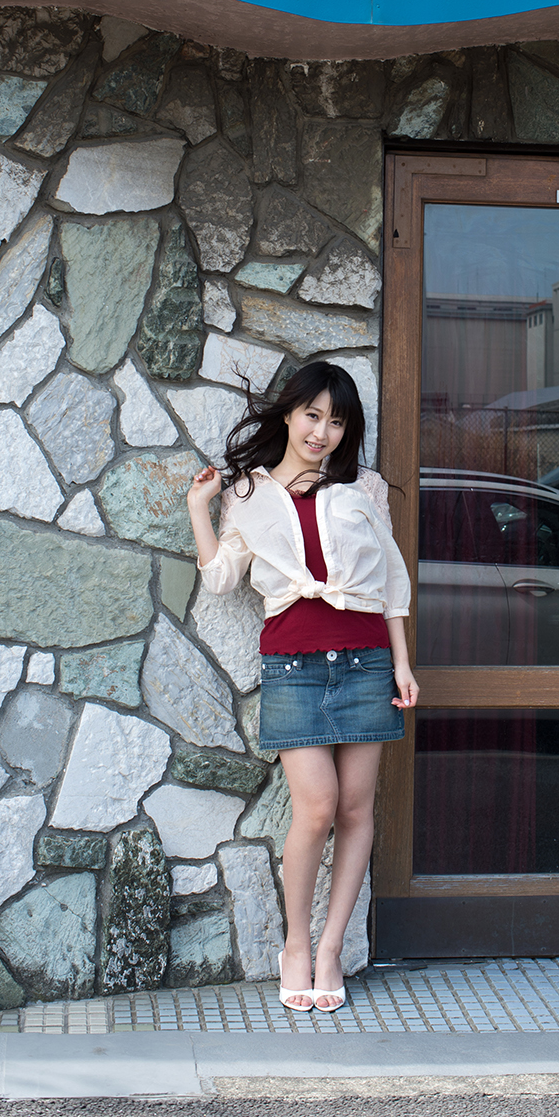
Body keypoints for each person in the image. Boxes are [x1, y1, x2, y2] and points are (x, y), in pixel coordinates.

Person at [187, 359, 419, 1015]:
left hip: (367, 662)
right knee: (317, 809)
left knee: (355, 811)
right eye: (312, 415)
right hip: (292, 666)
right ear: (289, 415)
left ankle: (331, 949)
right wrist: (199, 507)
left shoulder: (363, 488)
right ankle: (295, 944)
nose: (322, 432)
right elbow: (221, 578)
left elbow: (389, 582)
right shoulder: (248, 494)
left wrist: (402, 664)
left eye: (336, 422)